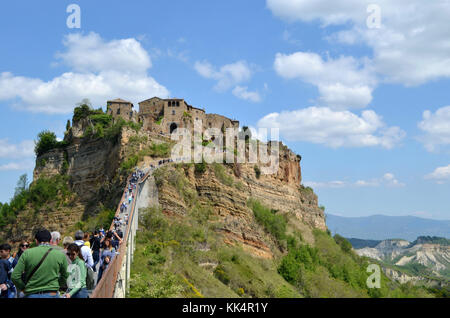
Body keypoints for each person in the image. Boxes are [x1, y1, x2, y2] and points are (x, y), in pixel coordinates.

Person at [11, 229, 68, 298]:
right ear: (50, 241)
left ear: (36, 241)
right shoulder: (60, 254)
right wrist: (57, 285)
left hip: (32, 293)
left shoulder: (27, 253)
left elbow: (15, 276)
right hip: (52, 293)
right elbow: (65, 274)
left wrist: (23, 288)